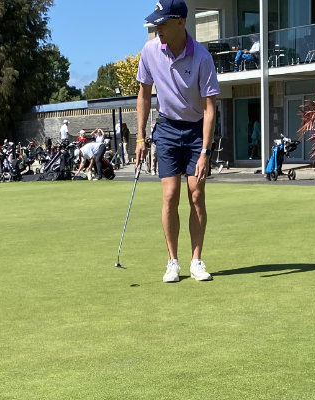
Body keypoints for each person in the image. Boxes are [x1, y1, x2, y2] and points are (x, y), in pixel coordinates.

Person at [135, 0, 220, 283]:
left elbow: (210, 109)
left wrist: (206, 151)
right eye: (156, 23)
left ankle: (196, 260)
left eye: (163, 22)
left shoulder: (202, 58)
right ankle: (173, 261)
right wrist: (140, 136)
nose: (157, 28)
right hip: (168, 129)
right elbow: (144, 94)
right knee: (170, 196)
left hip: (196, 131)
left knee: (196, 195)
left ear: (180, 22)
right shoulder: (149, 51)